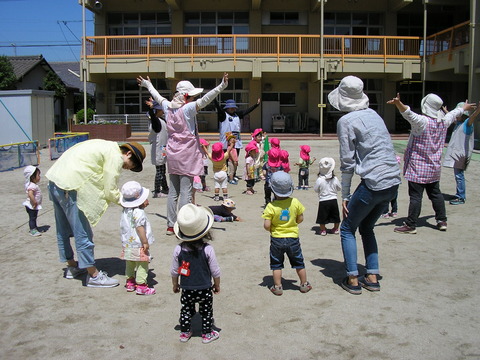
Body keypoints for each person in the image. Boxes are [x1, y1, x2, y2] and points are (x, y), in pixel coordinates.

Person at [328, 76, 401, 295]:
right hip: (393, 182)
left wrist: (345, 195)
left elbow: (347, 162)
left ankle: (352, 278)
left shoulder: (346, 122)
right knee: (367, 227)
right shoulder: (374, 115)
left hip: (373, 183)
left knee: (348, 228)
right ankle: (371, 274)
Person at [137, 73, 229, 235]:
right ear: (186, 96)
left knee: (173, 192)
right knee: (186, 192)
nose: (194, 98)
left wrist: (147, 85)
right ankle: (184, 224)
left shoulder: (168, 107)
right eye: (192, 96)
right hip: (187, 156)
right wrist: (221, 86)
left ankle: (171, 225)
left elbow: (157, 97)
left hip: (172, 154)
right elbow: (205, 99)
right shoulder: (187, 109)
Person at [46, 139, 146, 288]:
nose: (127, 168)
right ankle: (93, 275)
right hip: (70, 186)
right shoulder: (116, 156)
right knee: (82, 232)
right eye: (132, 165)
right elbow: (110, 189)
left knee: (63, 229)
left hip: (55, 180)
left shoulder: (104, 144)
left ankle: (72, 266)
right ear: (128, 153)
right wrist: (133, 202)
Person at [387, 93, 475, 234]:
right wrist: (463, 108)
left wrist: (398, 103)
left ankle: (411, 224)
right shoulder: (443, 121)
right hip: (434, 167)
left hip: (418, 167)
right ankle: (441, 220)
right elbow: (453, 113)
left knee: (416, 196)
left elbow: (407, 113)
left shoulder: (422, 122)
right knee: (435, 194)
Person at [171, 204, 221, 344]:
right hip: (204, 287)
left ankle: (185, 332)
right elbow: (215, 270)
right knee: (206, 311)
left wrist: (175, 284)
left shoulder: (178, 249)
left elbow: (174, 270)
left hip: (186, 287)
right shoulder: (207, 249)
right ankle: (206, 333)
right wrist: (217, 285)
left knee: (186, 309)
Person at [262, 171, 312, 296]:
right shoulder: (295, 202)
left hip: (277, 238)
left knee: (276, 264)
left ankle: (278, 286)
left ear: (272, 189)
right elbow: (300, 218)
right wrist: (293, 223)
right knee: (298, 262)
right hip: (293, 237)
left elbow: (266, 225)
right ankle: (304, 284)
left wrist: (272, 228)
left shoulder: (271, 206)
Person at [119, 181, 156, 295]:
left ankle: (130, 282)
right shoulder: (139, 213)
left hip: (127, 243)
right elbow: (140, 228)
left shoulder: (125, 212)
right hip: (138, 243)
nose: (147, 201)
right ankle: (141, 285)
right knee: (142, 264)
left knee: (130, 263)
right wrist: (144, 241)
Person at [442, 101, 480, 205]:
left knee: (459, 176)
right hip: (457, 155)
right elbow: (453, 118)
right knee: (458, 175)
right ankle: (460, 194)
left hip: (461, 155)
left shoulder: (467, 123)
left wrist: (477, 111)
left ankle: (461, 196)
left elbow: (472, 117)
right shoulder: (459, 123)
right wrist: (446, 111)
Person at [146, 98, 169, 198]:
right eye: (161, 109)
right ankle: (157, 191)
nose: (163, 111)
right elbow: (153, 116)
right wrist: (151, 109)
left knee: (163, 169)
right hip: (158, 148)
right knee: (159, 170)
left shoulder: (162, 120)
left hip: (163, 148)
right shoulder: (155, 121)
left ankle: (165, 188)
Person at [313, 157, 341, 236]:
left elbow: (316, 189)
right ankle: (336, 228)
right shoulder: (335, 179)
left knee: (322, 217)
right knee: (336, 216)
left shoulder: (319, 180)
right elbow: (339, 188)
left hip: (323, 200)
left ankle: (323, 230)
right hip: (333, 199)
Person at [23, 165, 43, 237]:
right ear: (32, 177)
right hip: (31, 205)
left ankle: (35, 227)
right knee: (32, 218)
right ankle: (32, 230)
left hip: (34, 205)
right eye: (38, 175)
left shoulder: (34, 185)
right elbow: (30, 194)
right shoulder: (32, 185)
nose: (39, 177)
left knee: (34, 217)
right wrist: (34, 201)